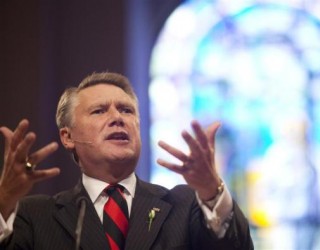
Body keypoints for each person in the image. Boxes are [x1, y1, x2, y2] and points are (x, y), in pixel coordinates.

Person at [0, 72, 253, 249]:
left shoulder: (185, 206)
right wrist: (4, 199)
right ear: (68, 137)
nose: (117, 118)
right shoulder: (35, 216)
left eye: (126, 110)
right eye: (99, 111)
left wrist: (211, 189)